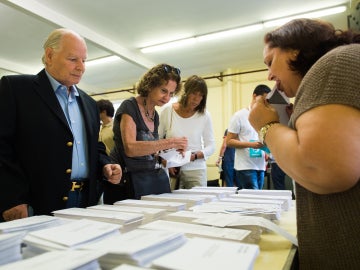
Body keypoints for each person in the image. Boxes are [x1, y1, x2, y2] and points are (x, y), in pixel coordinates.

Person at [248, 18, 360, 269]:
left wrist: (266, 126)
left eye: (270, 62)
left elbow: (320, 169)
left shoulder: (334, 62)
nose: (269, 75)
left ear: (295, 48)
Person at [0, 28, 122, 222]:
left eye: (84, 60)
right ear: (49, 55)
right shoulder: (16, 89)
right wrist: (10, 198)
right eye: (73, 59)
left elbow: (94, 148)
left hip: (85, 201)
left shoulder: (89, 104)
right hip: (35, 204)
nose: (81, 67)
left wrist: (107, 165)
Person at [104, 63, 188, 203]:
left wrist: (169, 154)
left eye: (171, 94)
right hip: (126, 180)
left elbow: (150, 149)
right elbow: (130, 148)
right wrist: (171, 141)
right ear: (150, 85)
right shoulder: (129, 106)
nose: (167, 98)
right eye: (163, 90)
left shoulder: (154, 115)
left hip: (147, 178)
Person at [159, 75, 216, 189]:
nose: (196, 99)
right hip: (172, 170)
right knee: (171, 204)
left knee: (199, 205)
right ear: (186, 92)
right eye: (194, 93)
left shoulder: (204, 115)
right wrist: (165, 161)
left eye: (201, 95)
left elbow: (211, 146)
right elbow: (157, 140)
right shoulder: (167, 110)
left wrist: (193, 156)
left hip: (196, 170)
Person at [226, 84, 271, 189]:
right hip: (245, 166)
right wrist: (251, 145)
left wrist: (267, 151)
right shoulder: (239, 116)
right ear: (254, 96)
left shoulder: (265, 116)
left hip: (260, 165)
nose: (265, 103)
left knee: (258, 198)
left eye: (267, 101)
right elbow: (229, 141)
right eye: (263, 99)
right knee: (253, 198)